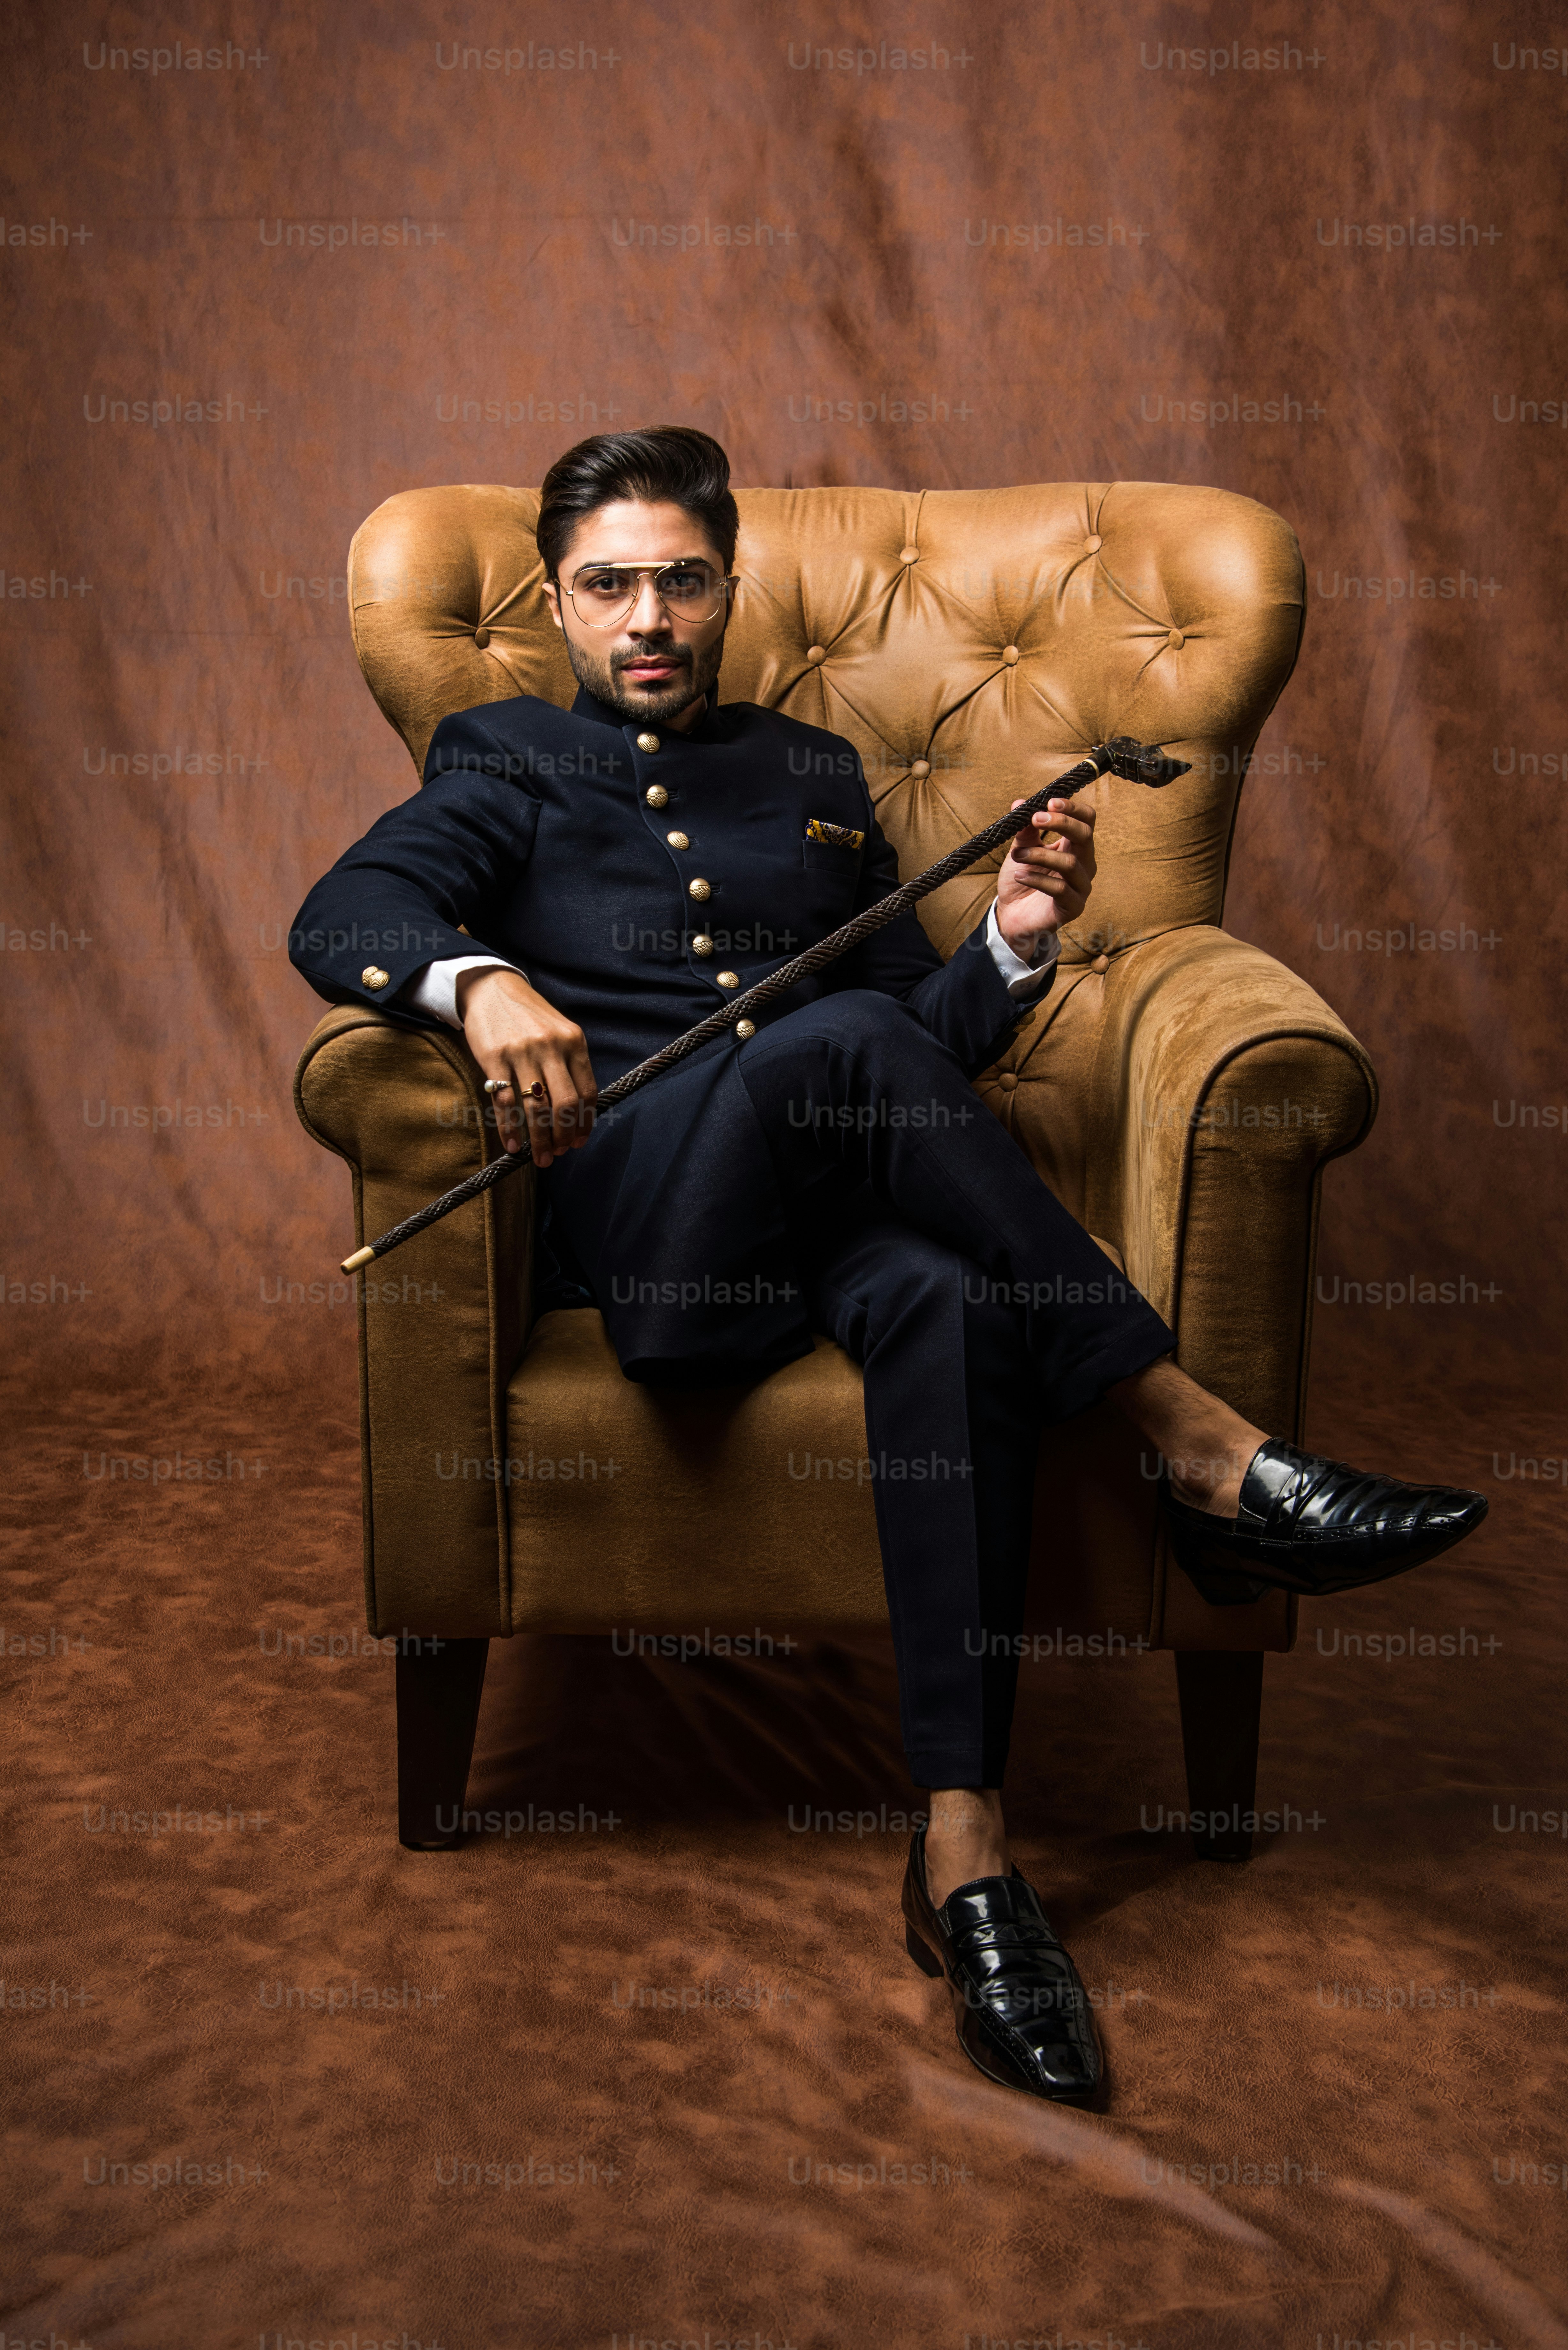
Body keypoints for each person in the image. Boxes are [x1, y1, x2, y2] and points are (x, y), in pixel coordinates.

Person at [290, 427, 1487, 2106]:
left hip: (837, 1227)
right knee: (834, 1043)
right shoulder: (500, 761)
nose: (649, 615)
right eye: (610, 584)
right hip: (665, 1257)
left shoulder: (813, 775)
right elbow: (340, 919)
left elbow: (922, 1039)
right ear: (559, 604)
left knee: (950, 1301)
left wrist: (1011, 938)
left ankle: (965, 1855)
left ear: (727, 587)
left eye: (681, 579)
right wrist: (477, 985)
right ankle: (1199, 1447)